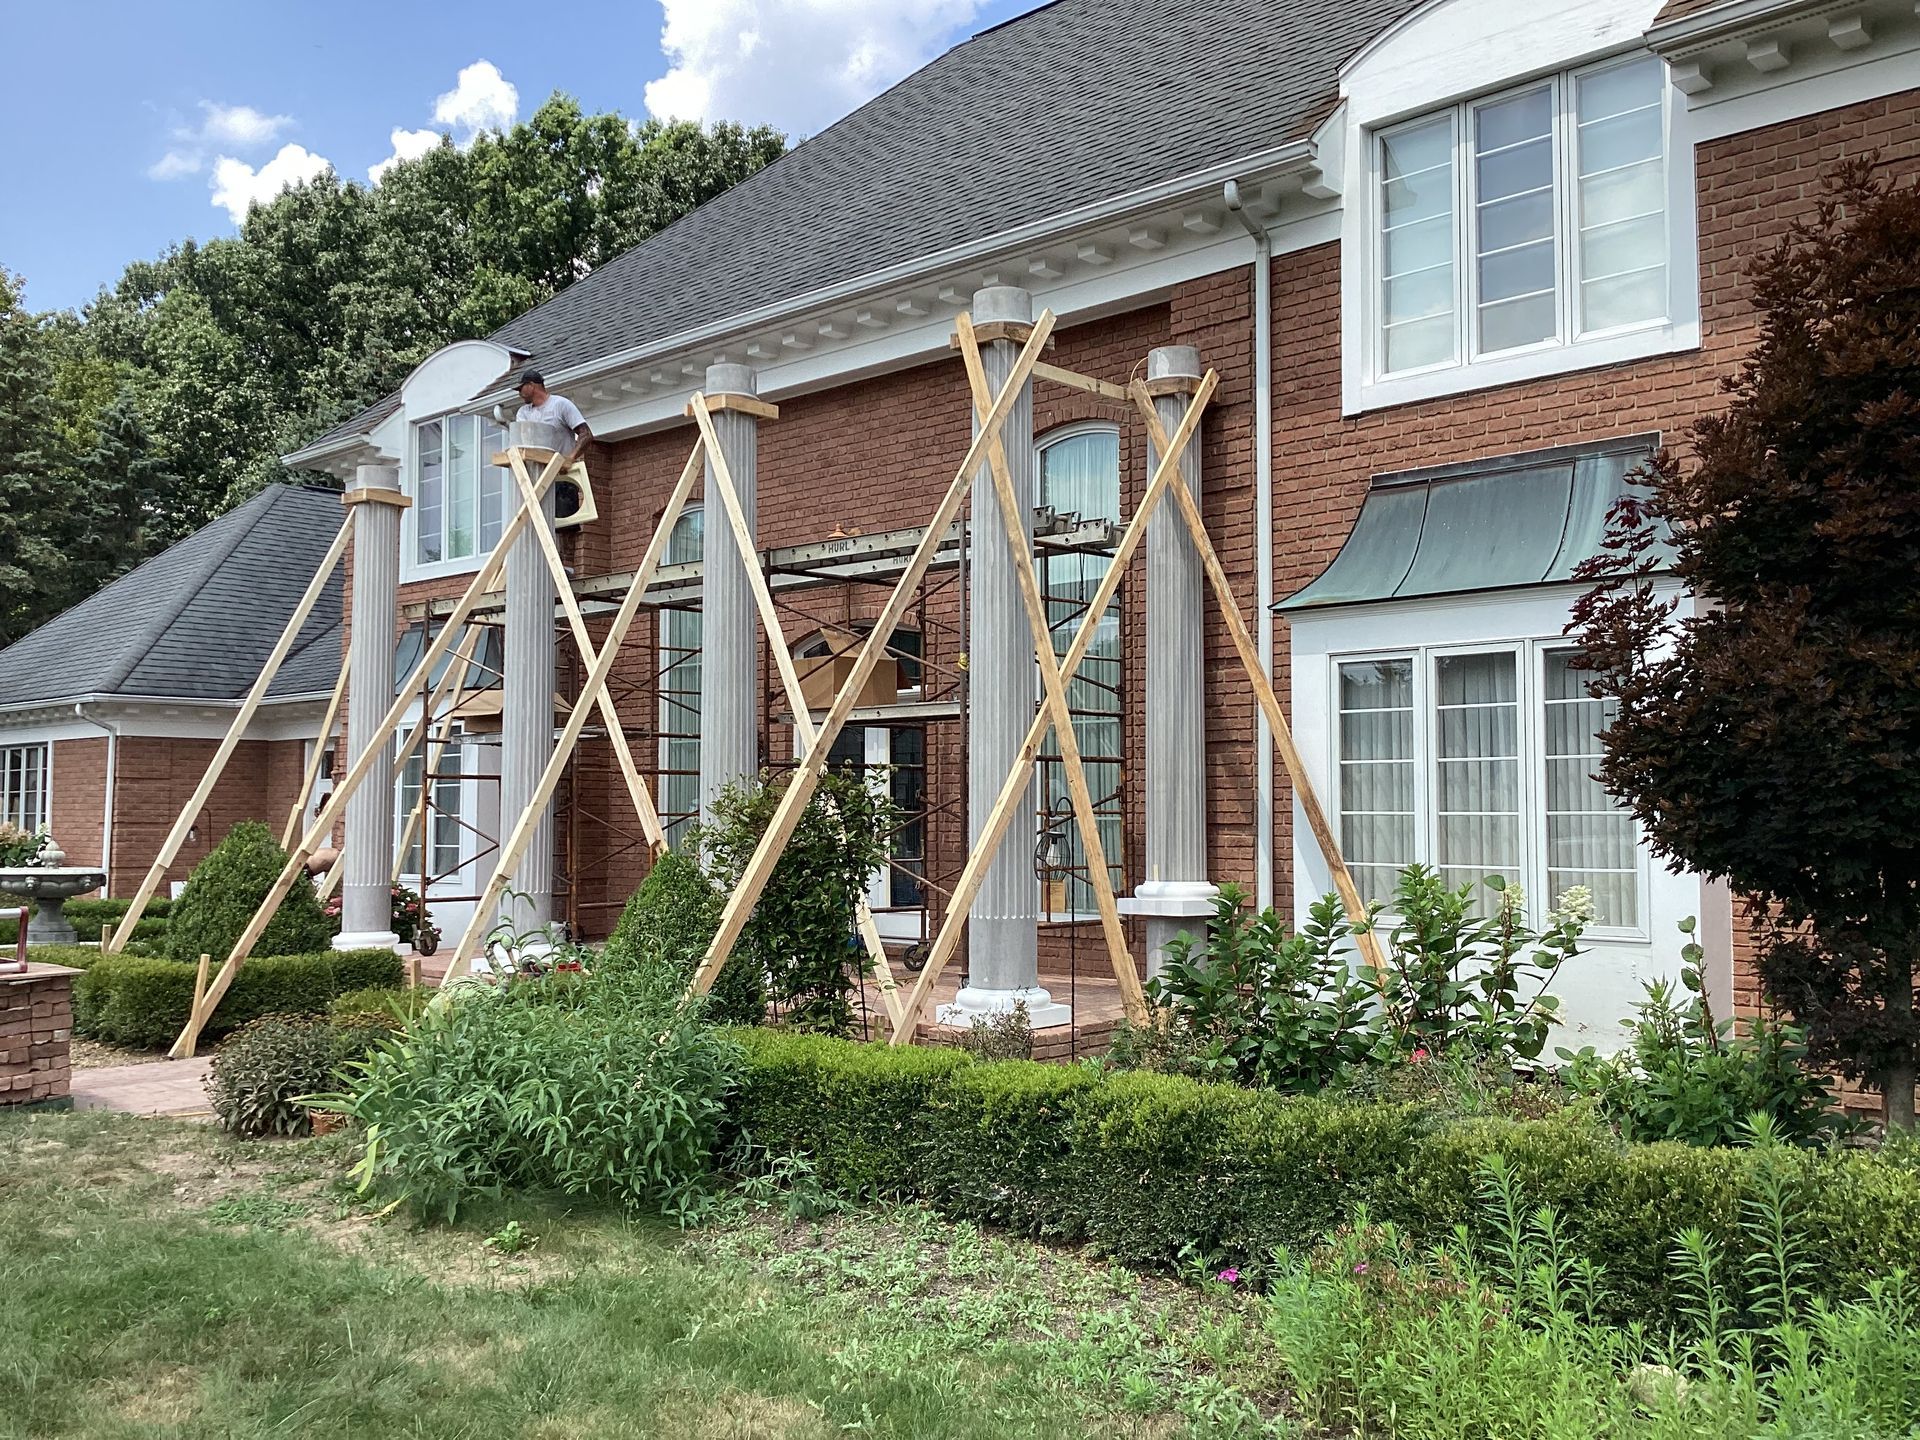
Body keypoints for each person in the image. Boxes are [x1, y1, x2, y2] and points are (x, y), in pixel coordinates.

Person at [515, 370, 592, 464]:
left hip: (561, 474)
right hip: (535, 474)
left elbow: (586, 434)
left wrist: (569, 459)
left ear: (531, 386)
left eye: (520, 389)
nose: (519, 394)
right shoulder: (523, 412)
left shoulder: (560, 405)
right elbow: (524, 442)